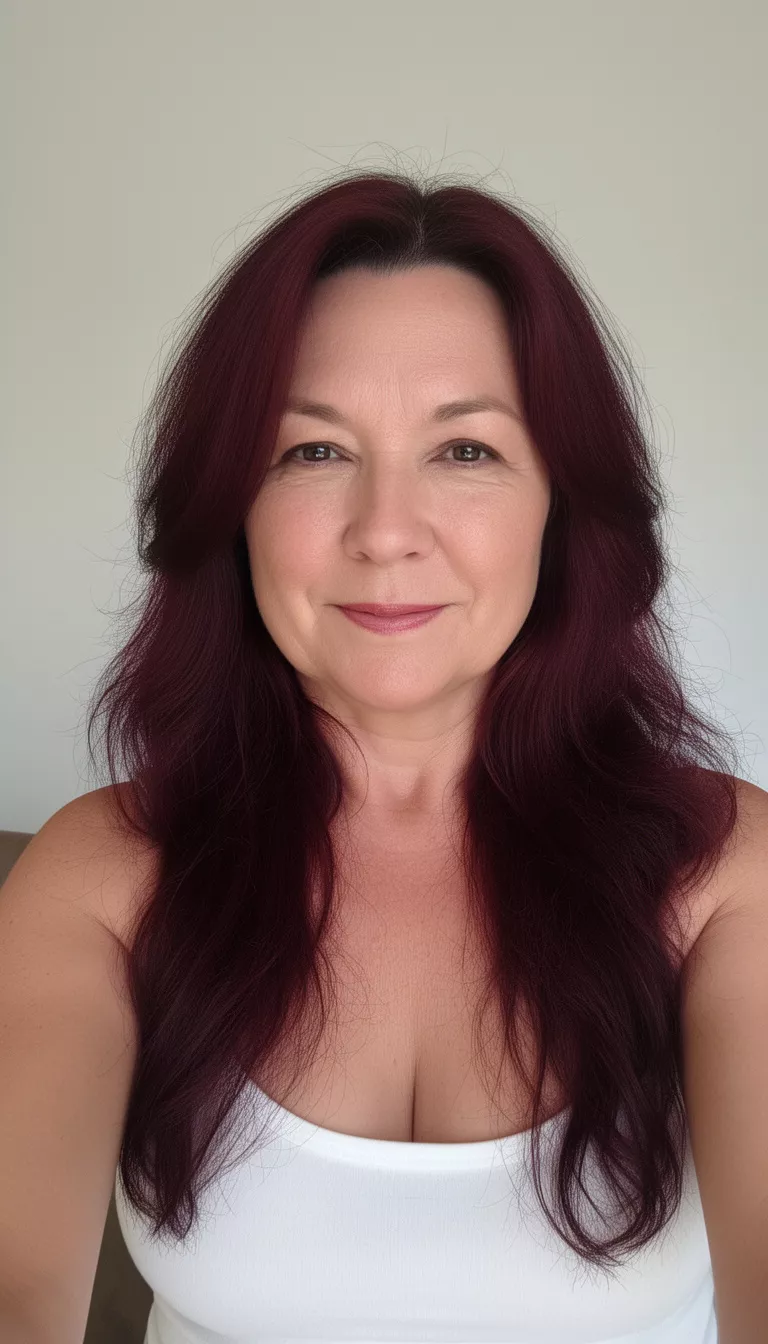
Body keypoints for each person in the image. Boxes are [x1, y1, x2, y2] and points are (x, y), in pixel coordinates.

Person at [3, 170, 762, 1343]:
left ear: (563, 505)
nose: (386, 531)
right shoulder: (102, 876)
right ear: (231, 505)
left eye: (464, 450)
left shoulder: (724, 876)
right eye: (313, 451)